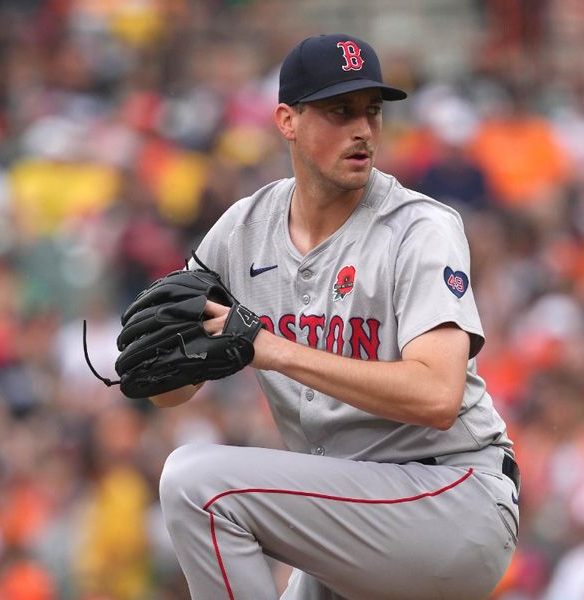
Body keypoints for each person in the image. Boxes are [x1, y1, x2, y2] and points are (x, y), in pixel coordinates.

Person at [152, 33, 519, 600]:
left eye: (372, 112)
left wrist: (269, 348)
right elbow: (167, 391)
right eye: (339, 111)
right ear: (287, 121)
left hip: (450, 496)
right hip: (351, 504)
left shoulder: (419, 227)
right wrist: (168, 367)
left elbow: (438, 396)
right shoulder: (243, 229)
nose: (363, 130)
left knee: (196, 483)